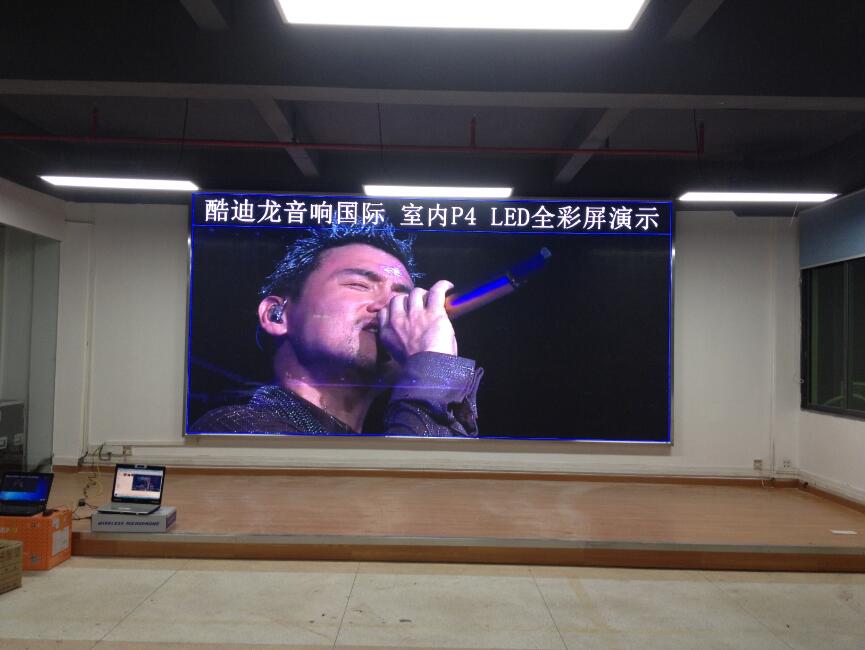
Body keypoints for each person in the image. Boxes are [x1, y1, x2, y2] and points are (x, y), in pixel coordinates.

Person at [190, 223, 482, 436]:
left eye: (402, 298)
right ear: (277, 315)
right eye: (359, 285)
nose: (388, 307)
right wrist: (433, 367)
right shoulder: (234, 428)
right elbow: (406, 496)